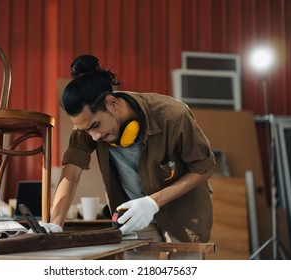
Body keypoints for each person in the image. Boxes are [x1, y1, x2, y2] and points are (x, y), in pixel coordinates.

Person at [46, 54, 215, 260]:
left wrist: (152, 203)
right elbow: (71, 173)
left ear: (112, 103)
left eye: (95, 126)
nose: (95, 136)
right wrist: (56, 223)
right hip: (134, 215)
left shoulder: (173, 116)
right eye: (86, 130)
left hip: (184, 211)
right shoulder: (87, 125)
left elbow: (204, 168)